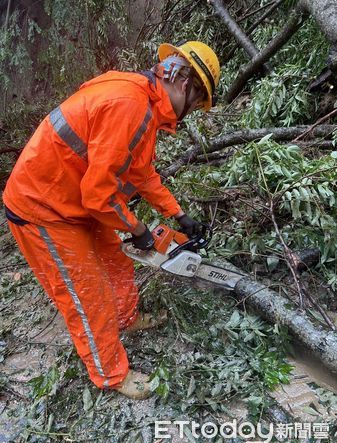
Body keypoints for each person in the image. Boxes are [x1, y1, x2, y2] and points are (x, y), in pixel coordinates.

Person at [3, 41, 220, 399]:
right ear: (185, 83)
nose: (192, 111)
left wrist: (178, 214)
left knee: (117, 261)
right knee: (88, 293)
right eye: (197, 103)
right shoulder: (129, 105)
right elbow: (100, 196)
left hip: (77, 200)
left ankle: (126, 319)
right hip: (43, 207)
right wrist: (138, 229)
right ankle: (111, 374)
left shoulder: (146, 104)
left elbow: (143, 173)